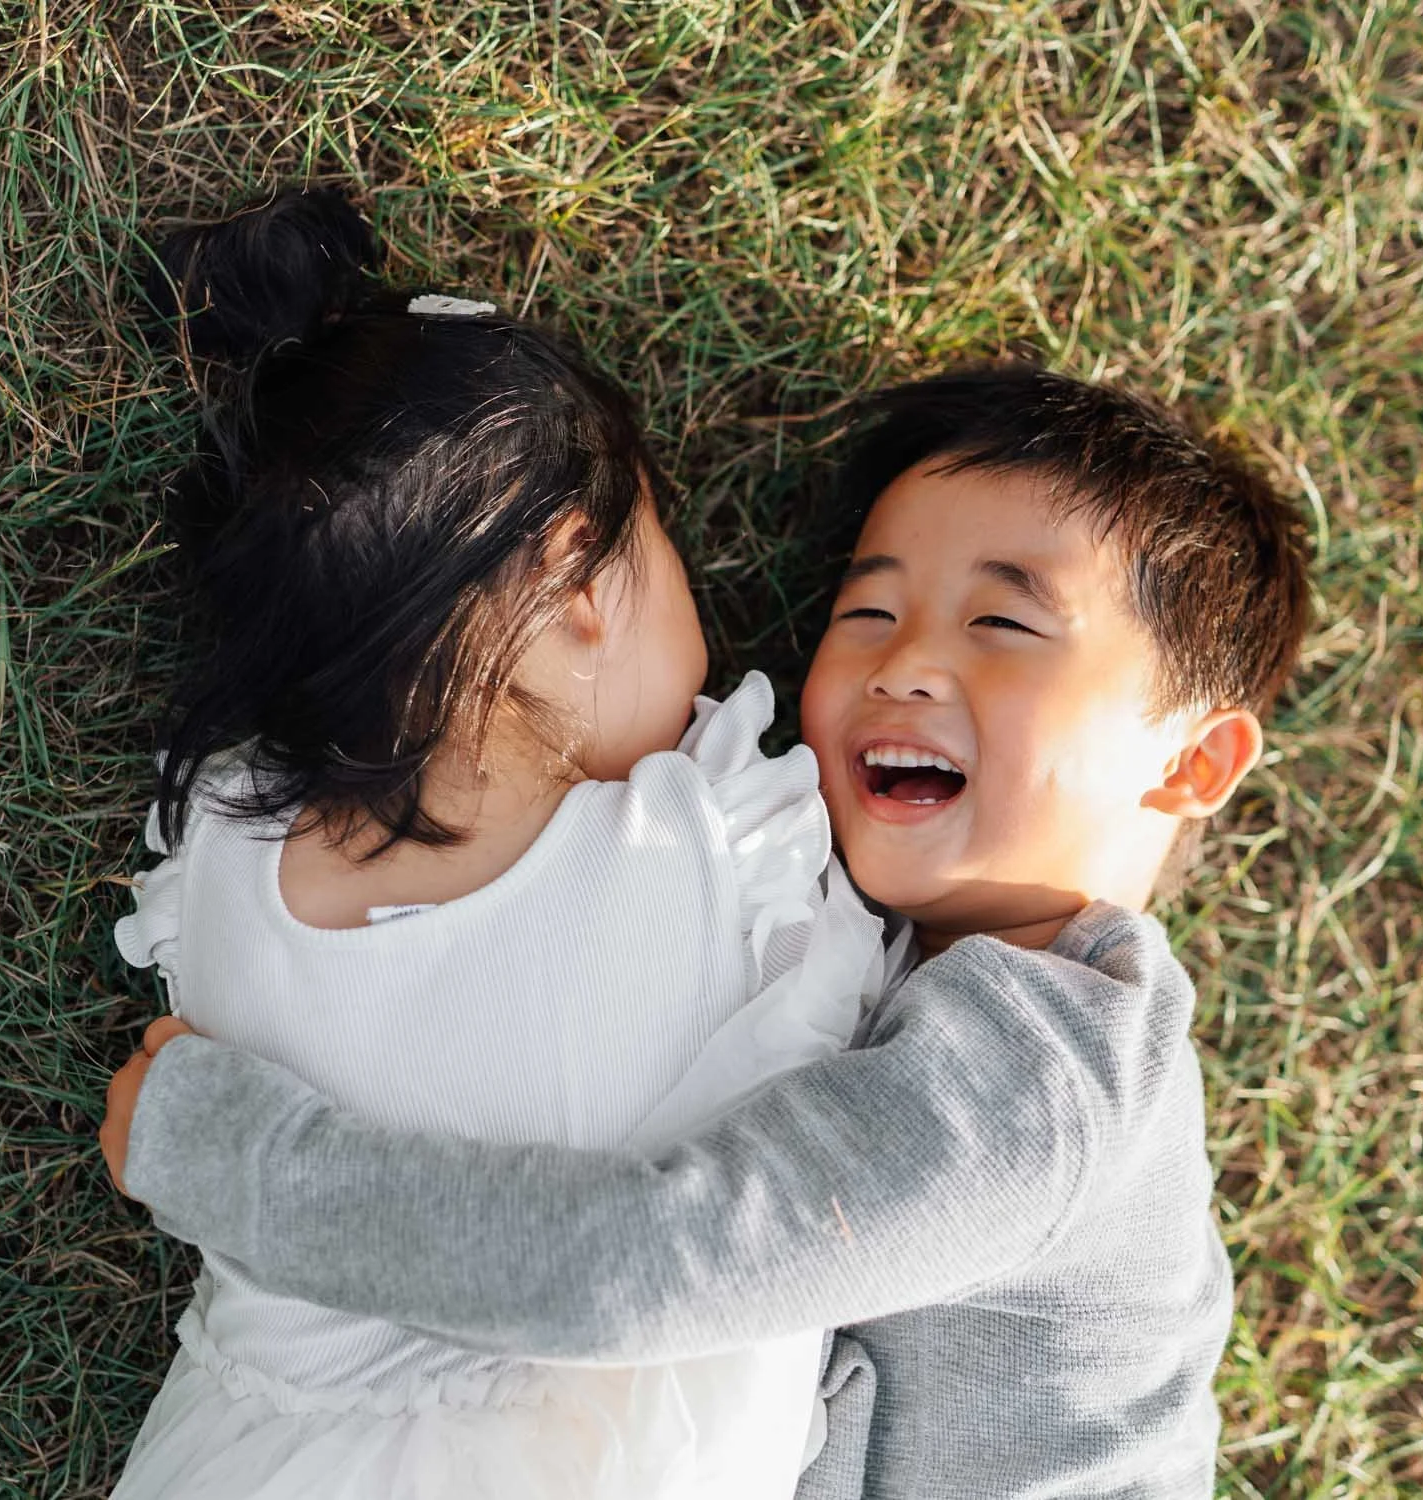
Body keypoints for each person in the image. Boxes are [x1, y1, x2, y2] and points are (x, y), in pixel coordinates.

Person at [103, 364, 1315, 1498]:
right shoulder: (919, 989)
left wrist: (242, 1166)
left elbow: (647, 1264)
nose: (907, 665)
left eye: (1003, 626)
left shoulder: (1049, 1088)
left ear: (1192, 759)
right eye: (870, 609)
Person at [103, 187, 887, 1500]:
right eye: (670, 543)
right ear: (583, 586)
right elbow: (848, 1017)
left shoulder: (224, 872)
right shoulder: (698, 856)